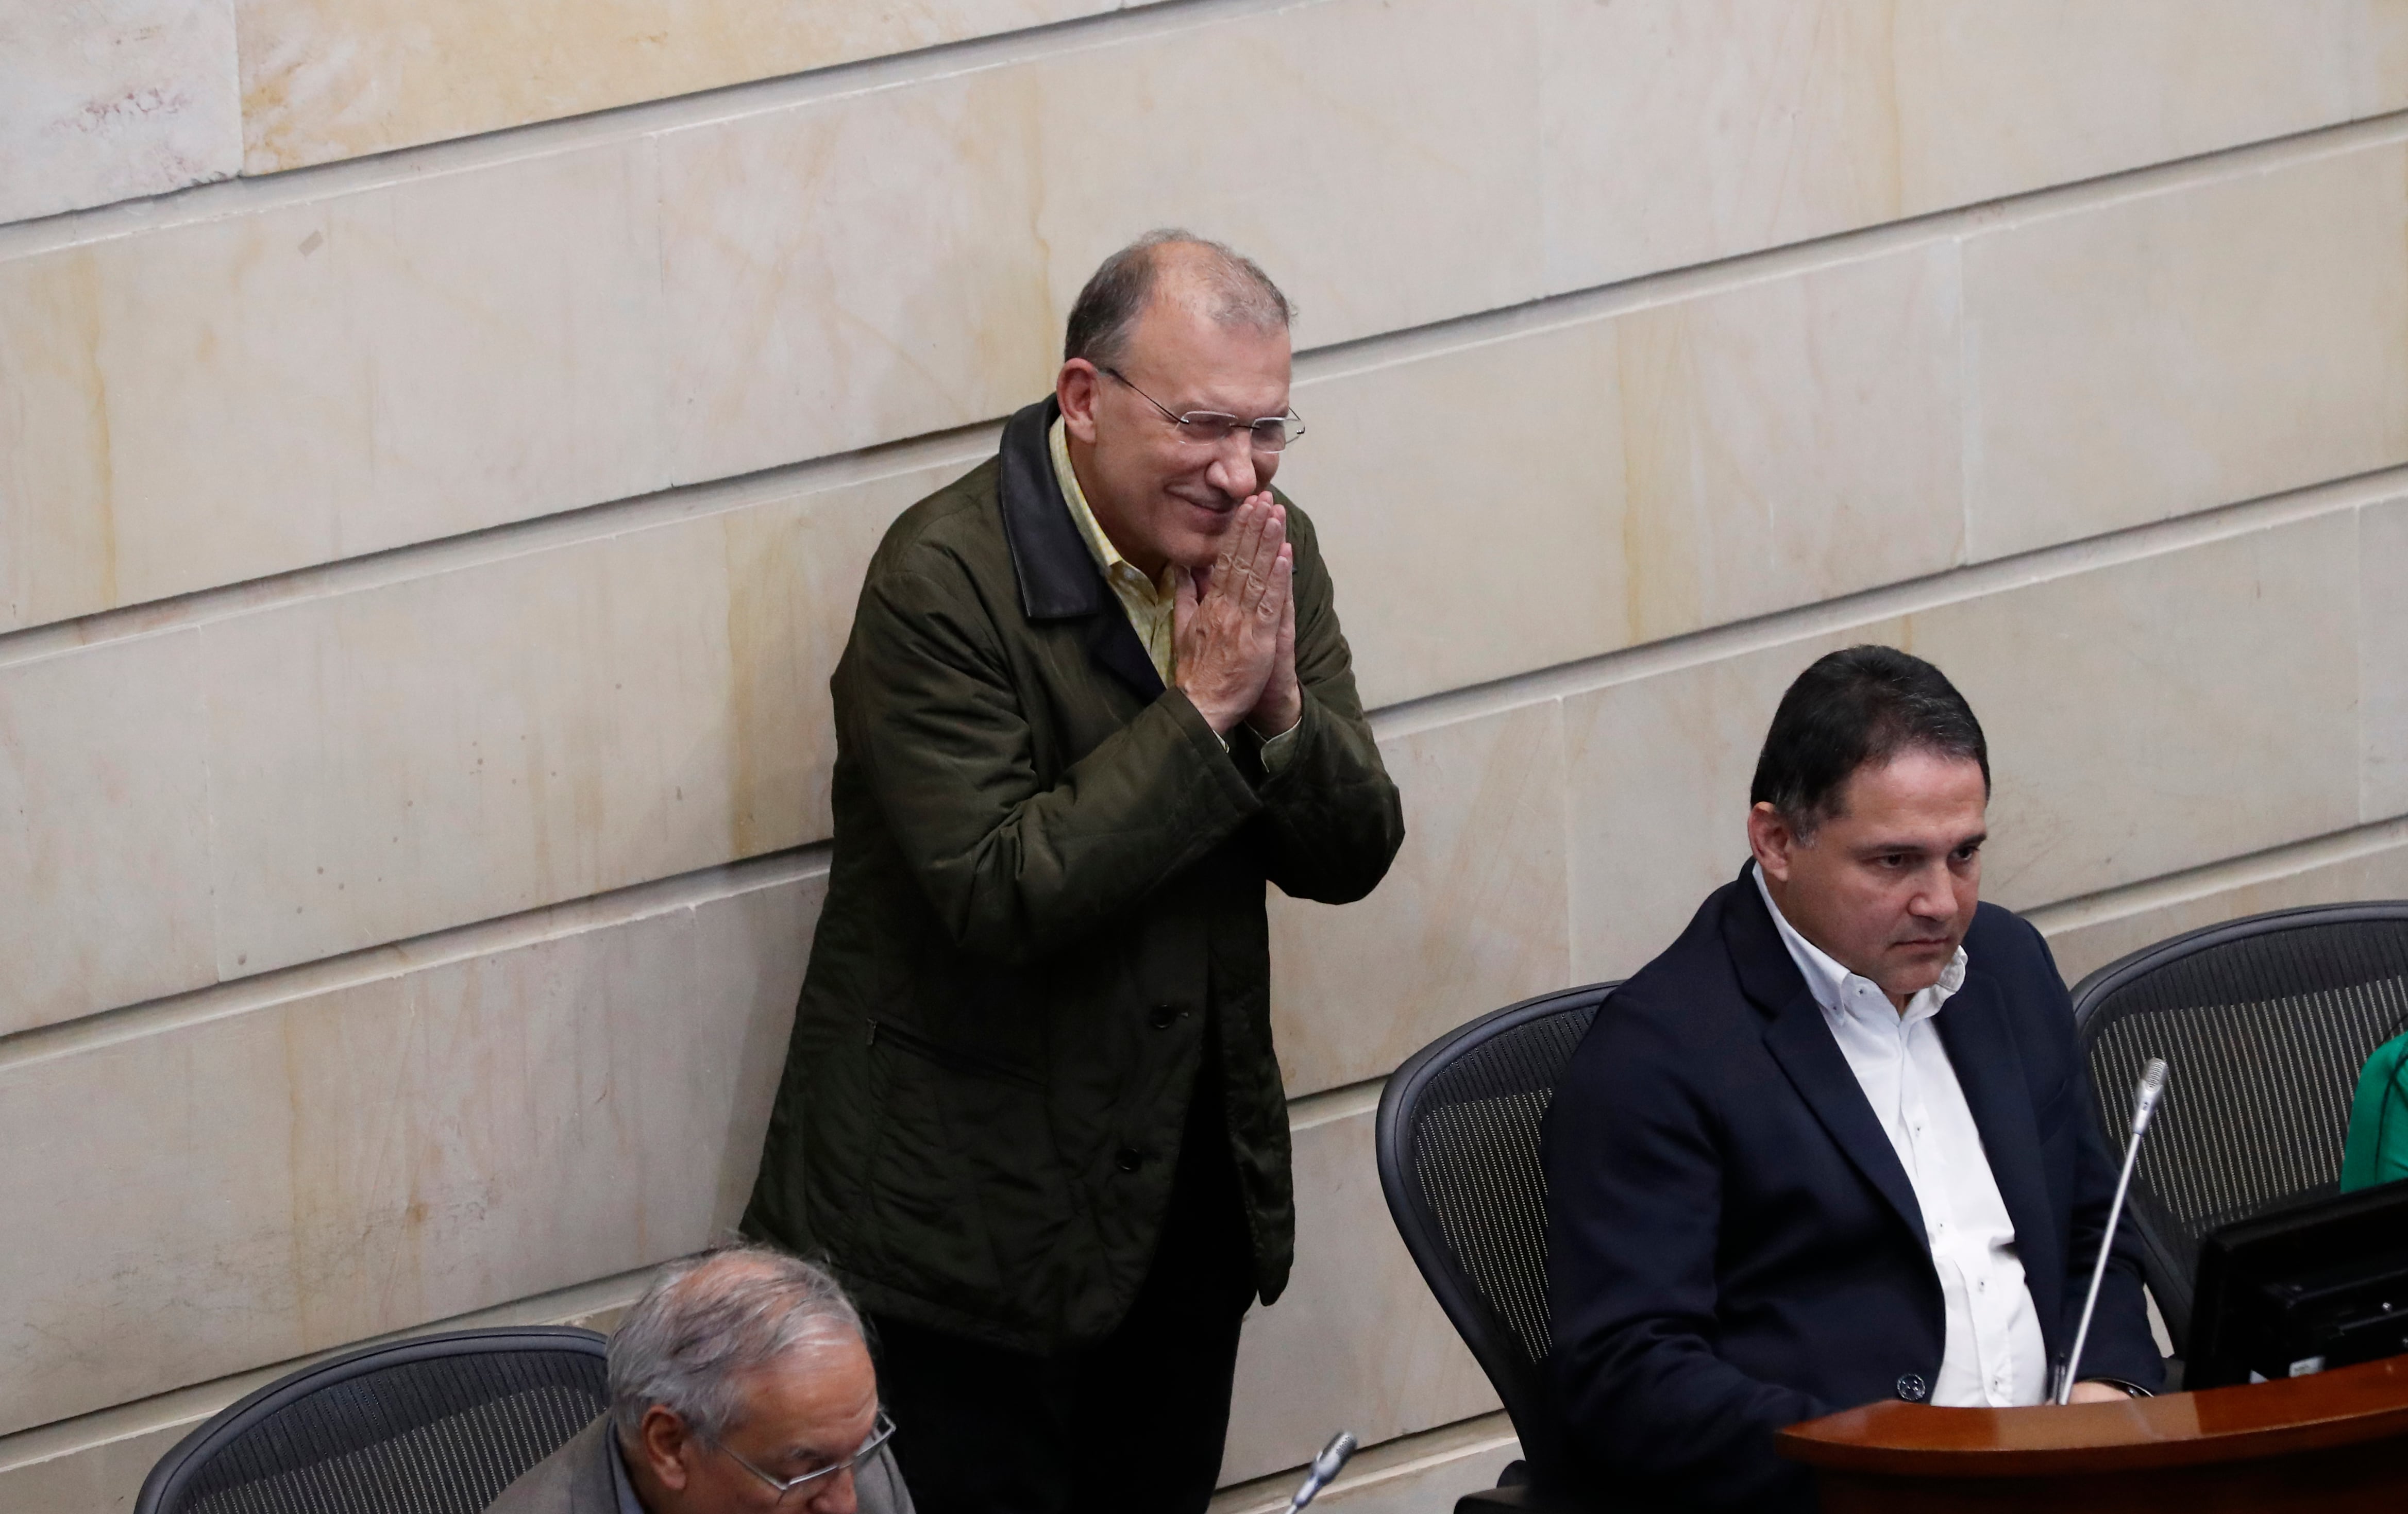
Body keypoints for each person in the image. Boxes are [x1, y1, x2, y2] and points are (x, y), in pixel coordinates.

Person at [741, 230, 1405, 1514]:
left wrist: (1278, 719)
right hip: (960, 1235)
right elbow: (999, 889)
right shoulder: (941, 579)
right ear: (1086, 399)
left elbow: (1351, 850)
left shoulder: (1271, 544)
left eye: (1269, 429)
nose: (1236, 470)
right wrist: (1200, 709)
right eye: (1204, 423)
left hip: (1175, 1206)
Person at [1543, 646, 2163, 1511]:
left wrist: (2106, 1389)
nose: (1942, 901)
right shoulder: (1659, 1053)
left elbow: (2091, 1224)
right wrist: (1884, 1465)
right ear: (1775, 841)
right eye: (1893, 861)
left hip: (2063, 1477)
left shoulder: (2006, 968)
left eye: (1963, 853)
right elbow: (1629, 1374)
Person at [486, 1244, 911, 1514]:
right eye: (801, 1473)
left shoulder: (840, 1445)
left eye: (860, 1449)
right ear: (670, 1446)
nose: (846, 1503)